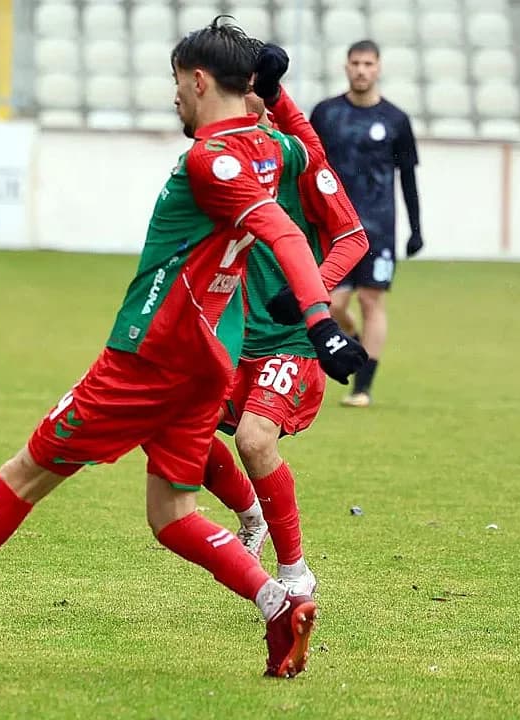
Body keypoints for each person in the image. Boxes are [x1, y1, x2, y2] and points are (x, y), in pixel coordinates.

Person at [0, 19, 368, 678]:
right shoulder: (270, 148)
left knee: (26, 472)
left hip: (149, 357)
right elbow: (303, 152)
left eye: (176, 85)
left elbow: (283, 231)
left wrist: (321, 322)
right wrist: (276, 94)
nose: (175, 99)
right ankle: (279, 604)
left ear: (198, 81)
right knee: (172, 514)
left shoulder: (210, 159)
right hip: (207, 359)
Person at [202, 43, 369, 597]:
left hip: (291, 336)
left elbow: (352, 237)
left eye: (249, 89)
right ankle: (250, 515)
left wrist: (309, 296)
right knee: (179, 430)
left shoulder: (298, 158)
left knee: (253, 440)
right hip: (230, 331)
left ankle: (295, 569)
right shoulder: (219, 158)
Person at [310, 40, 423, 408]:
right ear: (346, 67)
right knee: (332, 303)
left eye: (368, 63)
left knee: (372, 300)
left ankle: (363, 388)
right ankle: (350, 335)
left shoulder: (395, 120)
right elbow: (307, 167)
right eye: (355, 63)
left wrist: (416, 229)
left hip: (379, 228)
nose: (361, 69)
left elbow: (407, 177)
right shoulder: (326, 114)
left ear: (378, 68)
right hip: (334, 226)